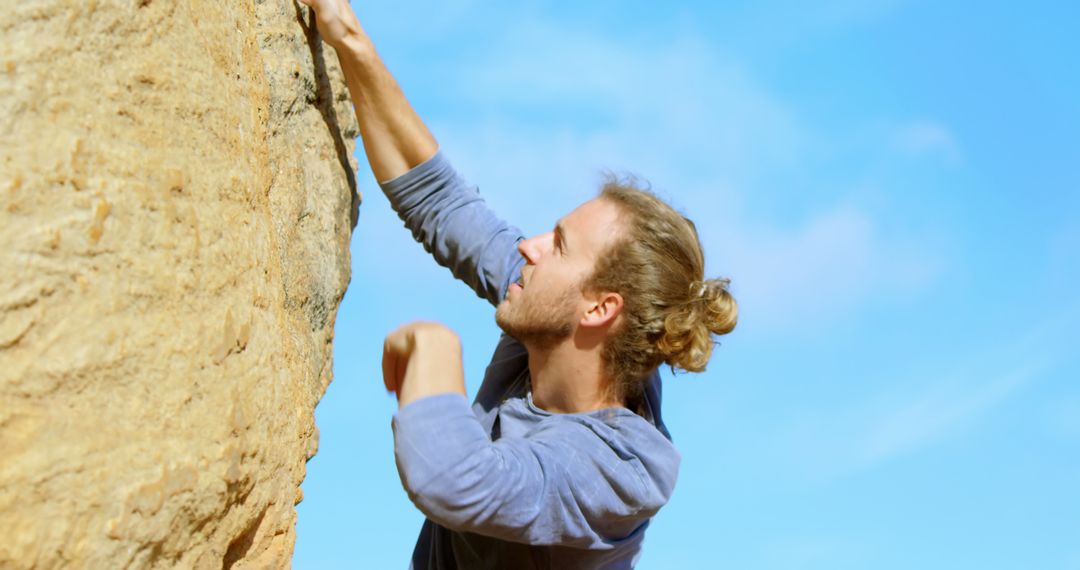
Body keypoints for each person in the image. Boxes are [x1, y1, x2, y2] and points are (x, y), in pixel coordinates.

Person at [299, 1, 738, 567]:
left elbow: (454, 480)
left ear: (601, 309)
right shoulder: (552, 322)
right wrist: (350, 42)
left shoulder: (621, 469)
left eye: (557, 245)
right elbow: (441, 204)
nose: (527, 247)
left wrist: (435, 348)